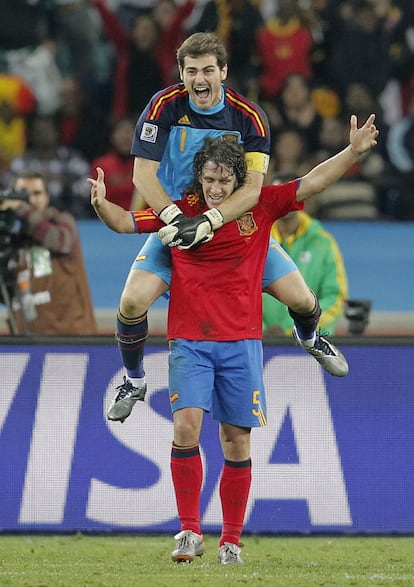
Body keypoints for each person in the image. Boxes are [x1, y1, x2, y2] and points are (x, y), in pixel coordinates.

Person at [88, 118, 378, 563]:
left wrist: (354, 152)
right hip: (189, 341)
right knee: (185, 430)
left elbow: (312, 182)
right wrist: (102, 204)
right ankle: (188, 532)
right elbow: (127, 222)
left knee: (235, 442)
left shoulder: (258, 205)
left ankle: (231, 541)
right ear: (199, 178)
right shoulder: (181, 210)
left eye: (225, 181)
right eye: (210, 180)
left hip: (242, 342)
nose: (217, 189)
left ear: (239, 180)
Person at [103, 31, 348, 425]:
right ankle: (133, 381)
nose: (200, 79)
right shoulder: (163, 105)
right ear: (181, 73)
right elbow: (143, 175)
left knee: (303, 301)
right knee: (131, 302)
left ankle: (310, 337)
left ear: (224, 72)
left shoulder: (249, 117)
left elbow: (252, 190)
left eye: (208, 70)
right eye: (191, 71)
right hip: (177, 222)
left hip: (238, 231)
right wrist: (177, 220)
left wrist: (210, 220)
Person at [0, 171, 97, 334]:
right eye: (22, 194)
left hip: (72, 340)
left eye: (36, 193)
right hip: (28, 342)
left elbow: (59, 242)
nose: (30, 200)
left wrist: (23, 210)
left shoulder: (62, 222)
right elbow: (7, 295)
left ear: (47, 197)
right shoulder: (14, 240)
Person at [263, 208, 348, 336]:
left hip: (311, 341)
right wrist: (260, 329)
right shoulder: (255, 240)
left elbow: (335, 298)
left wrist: (293, 329)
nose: (286, 196)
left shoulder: (324, 243)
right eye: (279, 187)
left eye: (289, 188)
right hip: (261, 340)